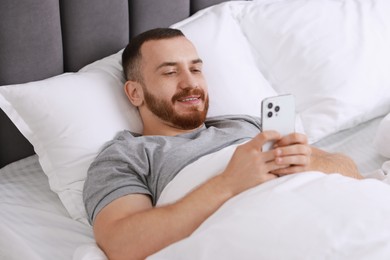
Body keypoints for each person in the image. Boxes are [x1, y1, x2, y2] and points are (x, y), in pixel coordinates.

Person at [83, 28, 362, 260]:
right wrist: (229, 183)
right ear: (134, 92)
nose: (190, 83)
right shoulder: (126, 155)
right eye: (170, 73)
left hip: (342, 220)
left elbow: (351, 170)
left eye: (196, 69)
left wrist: (308, 162)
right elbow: (121, 244)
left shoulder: (245, 124)